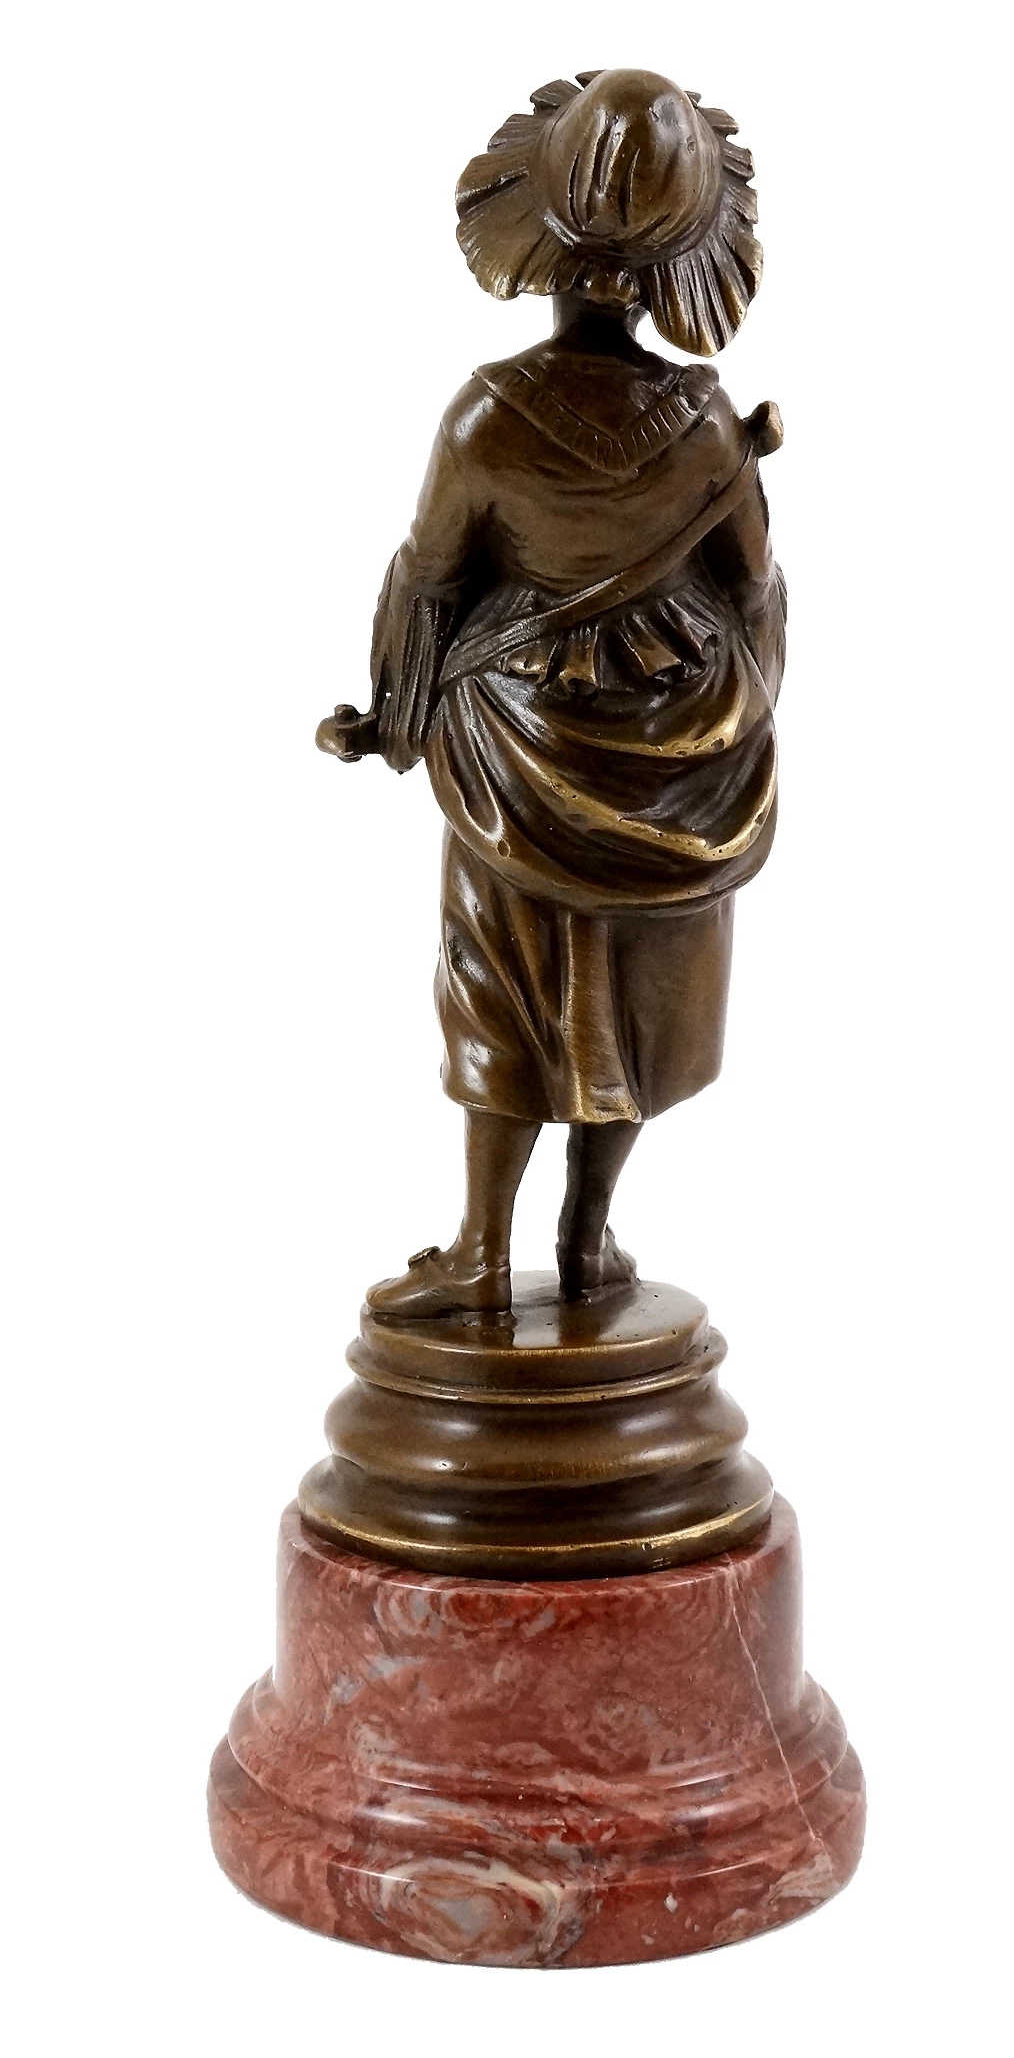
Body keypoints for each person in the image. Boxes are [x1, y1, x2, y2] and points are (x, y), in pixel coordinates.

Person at [319, 70, 786, 1318]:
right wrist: (727, 731)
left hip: (514, 758)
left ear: (535, 236)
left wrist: (395, 714)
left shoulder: (486, 419)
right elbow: (751, 592)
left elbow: (428, 580)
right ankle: (586, 1235)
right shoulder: (707, 427)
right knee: (635, 996)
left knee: (500, 987)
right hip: (675, 764)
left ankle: (483, 1246)